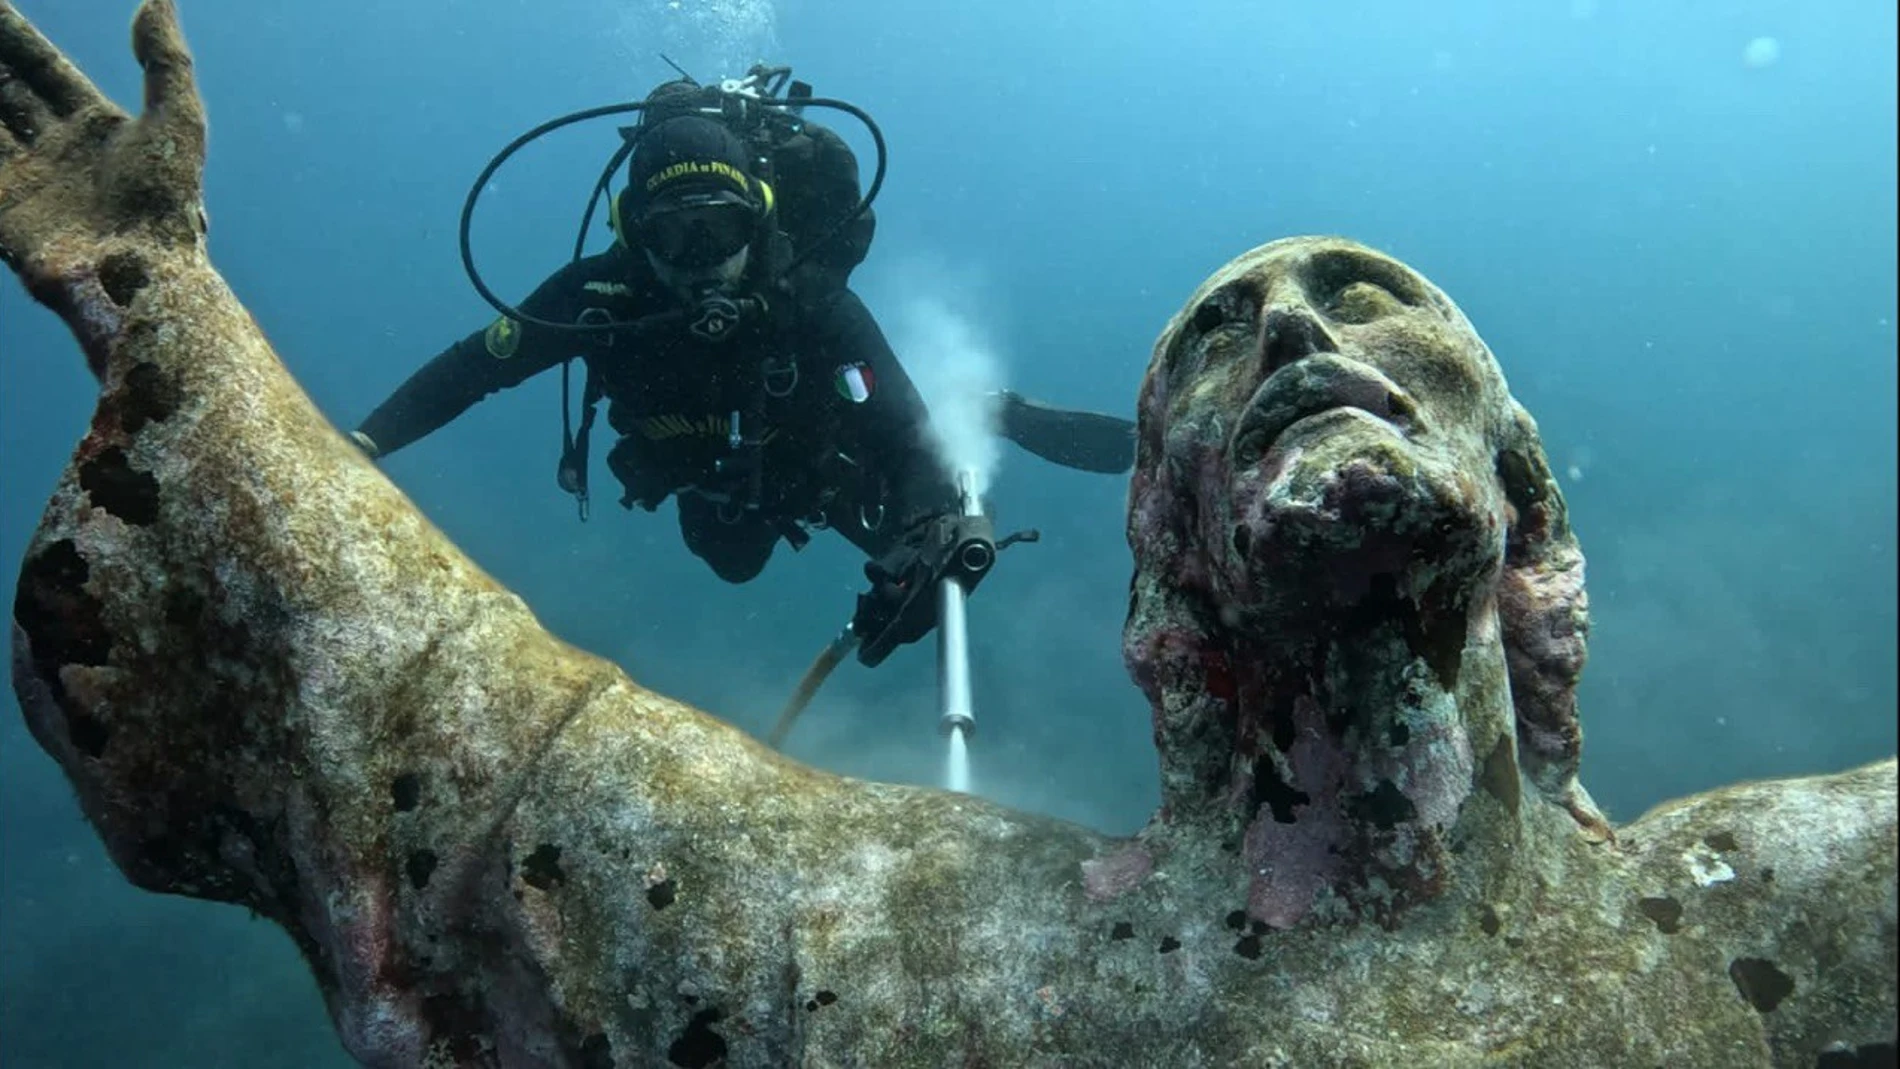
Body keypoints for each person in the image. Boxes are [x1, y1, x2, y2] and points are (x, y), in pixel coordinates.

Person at [349, 87, 1130, 666]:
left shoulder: (810, 304)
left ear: (757, 220)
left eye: (717, 229)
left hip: (822, 462)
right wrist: (366, 440)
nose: (700, 261)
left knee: (912, 518)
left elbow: (900, 438)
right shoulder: (597, 298)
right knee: (730, 561)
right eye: (674, 234)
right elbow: (469, 369)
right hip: (712, 477)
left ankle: (974, 410)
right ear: (633, 235)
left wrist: (926, 534)